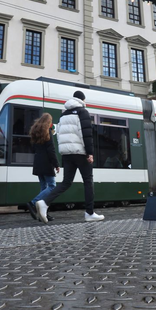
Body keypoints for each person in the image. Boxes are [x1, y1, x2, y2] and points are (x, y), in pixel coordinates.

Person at [36, 90, 105, 223]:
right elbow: (86, 133)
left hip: (67, 153)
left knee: (66, 182)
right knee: (88, 181)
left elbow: (59, 134)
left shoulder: (64, 114)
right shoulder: (82, 112)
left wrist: (64, 152)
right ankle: (89, 213)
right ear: (82, 100)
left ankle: (44, 203)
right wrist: (89, 153)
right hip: (80, 152)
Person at [27, 113, 59, 222]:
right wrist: (56, 164)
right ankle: (32, 203)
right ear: (48, 122)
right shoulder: (47, 133)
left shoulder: (35, 133)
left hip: (38, 162)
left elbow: (33, 149)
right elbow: (51, 151)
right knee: (52, 186)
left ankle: (43, 214)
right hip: (46, 163)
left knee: (44, 188)